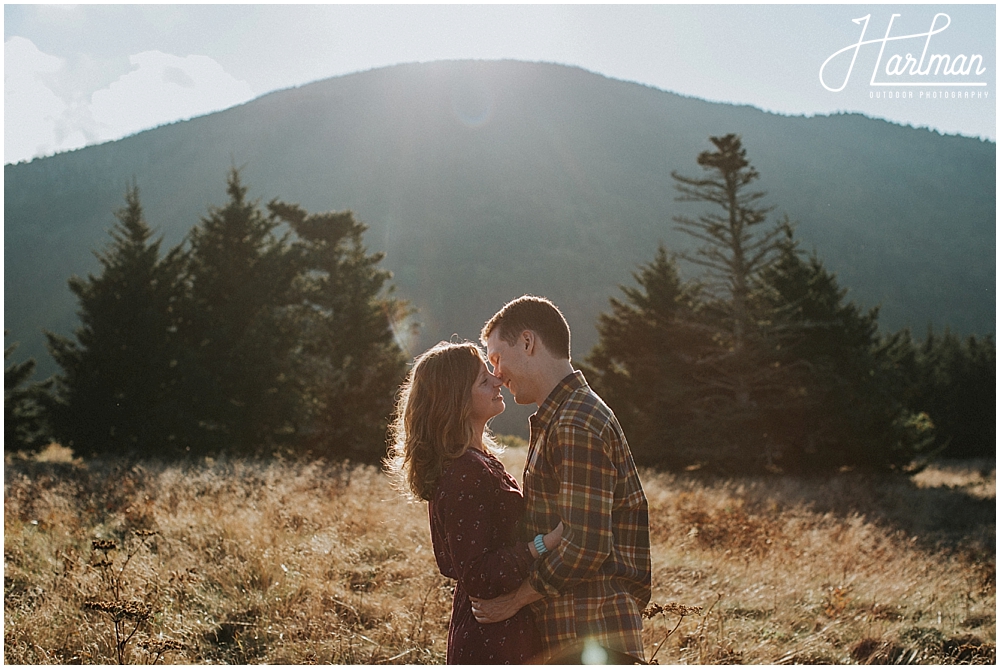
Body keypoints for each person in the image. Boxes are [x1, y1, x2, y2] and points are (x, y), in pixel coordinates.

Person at [472, 295, 652, 664]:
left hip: (588, 635)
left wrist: (515, 599)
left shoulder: (574, 422)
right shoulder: (564, 416)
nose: (497, 375)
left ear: (527, 342)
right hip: (579, 634)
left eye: (496, 358)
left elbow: (585, 543)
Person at [385, 341, 563, 664]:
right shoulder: (464, 473)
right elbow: (477, 574)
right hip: (491, 638)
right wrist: (543, 543)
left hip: (505, 628)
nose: (497, 380)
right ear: (457, 402)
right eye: (484, 380)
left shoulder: (478, 461)